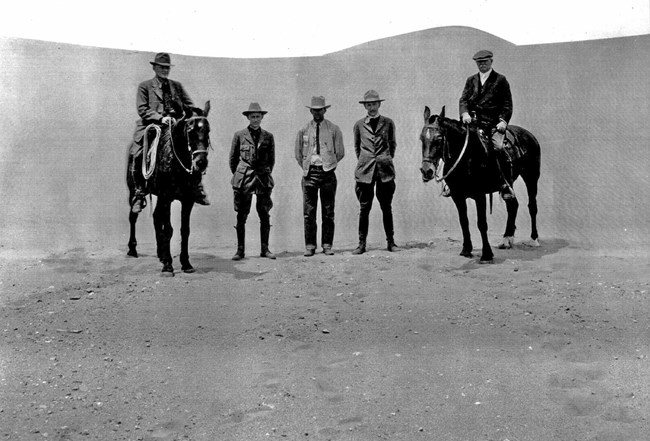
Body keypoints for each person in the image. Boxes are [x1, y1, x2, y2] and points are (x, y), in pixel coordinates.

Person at [129, 52, 210, 213]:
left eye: (167, 68)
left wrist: (194, 114)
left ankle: (196, 186)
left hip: (175, 125)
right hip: (152, 126)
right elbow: (142, 109)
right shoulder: (145, 86)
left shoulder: (177, 86)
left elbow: (189, 105)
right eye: (161, 67)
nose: (164, 70)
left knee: (194, 148)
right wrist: (160, 118)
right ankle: (139, 192)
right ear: (155, 67)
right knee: (137, 153)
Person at [459, 49, 515, 200]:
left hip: (493, 124)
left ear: (491, 61)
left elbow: (507, 104)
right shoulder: (471, 80)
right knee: (457, 143)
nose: (482, 65)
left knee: (498, 147)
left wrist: (503, 121)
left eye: (484, 62)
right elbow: (463, 99)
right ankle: (453, 183)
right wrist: (464, 113)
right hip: (473, 123)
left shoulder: (500, 80)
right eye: (479, 62)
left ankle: (504, 184)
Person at [295, 96, 345, 256]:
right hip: (309, 174)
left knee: (328, 211)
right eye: (314, 110)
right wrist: (308, 166)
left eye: (320, 109)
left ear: (325, 110)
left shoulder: (333, 129)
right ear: (310, 110)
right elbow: (298, 154)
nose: (317, 112)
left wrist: (328, 164)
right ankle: (310, 245)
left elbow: (340, 152)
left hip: (328, 174)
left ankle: (327, 244)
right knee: (309, 212)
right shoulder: (303, 130)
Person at [352, 90, 400, 255]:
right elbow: (357, 147)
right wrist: (367, 161)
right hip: (365, 171)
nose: (371, 107)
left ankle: (391, 242)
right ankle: (361, 244)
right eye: (368, 104)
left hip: (385, 170)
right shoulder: (359, 125)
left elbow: (392, 145)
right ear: (365, 106)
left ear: (379, 104)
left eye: (374, 104)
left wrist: (383, 159)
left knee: (386, 207)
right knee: (364, 208)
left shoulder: (388, 123)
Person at [229, 103, 276, 261]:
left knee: (264, 213)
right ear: (248, 118)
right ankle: (240, 250)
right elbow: (233, 160)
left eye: (258, 116)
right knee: (242, 214)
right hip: (245, 179)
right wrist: (240, 175)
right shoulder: (239, 135)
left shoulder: (268, 136)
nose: (255, 119)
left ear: (262, 117)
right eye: (252, 117)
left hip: (262, 179)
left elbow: (271, 160)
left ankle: (265, 249)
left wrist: (265, 172)